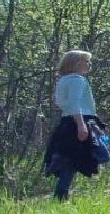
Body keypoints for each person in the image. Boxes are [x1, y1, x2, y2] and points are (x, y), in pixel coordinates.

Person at [42, 49, 104, 201]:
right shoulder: (77, 80)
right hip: (79, 122)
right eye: (86, 61)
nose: (89, 65)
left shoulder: (63, 80)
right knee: (72, 161)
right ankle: (60, 197)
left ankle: (62, 195)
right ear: (76, 63)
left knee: (68, 160)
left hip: (67, 122)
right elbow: (74, 103)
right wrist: (81, 125)